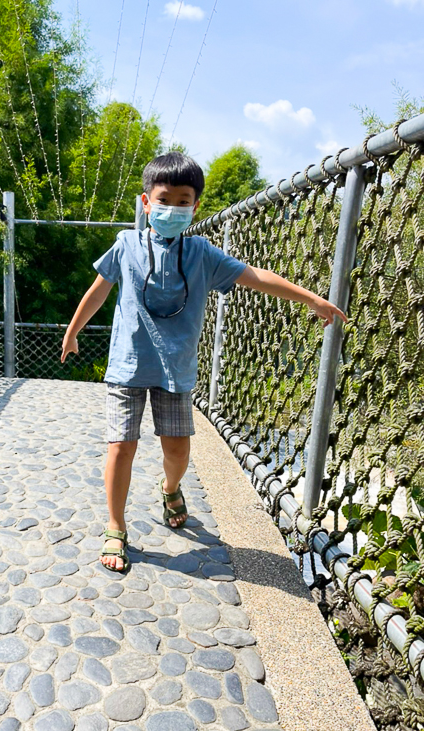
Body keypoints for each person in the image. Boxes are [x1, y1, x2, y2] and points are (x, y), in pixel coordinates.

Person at [60, 151, 348, 574]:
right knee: (121, 445)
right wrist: (72, 331)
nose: (172, 208)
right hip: (127, 366)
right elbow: (99, 290)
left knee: (177, 451)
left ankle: (170, 488)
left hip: (175, 370)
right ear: (145, 202)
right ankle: (116, 527)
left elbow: (255, 276)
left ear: (196, 207)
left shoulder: (202, 253)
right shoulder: (126, 245)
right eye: (164, 199)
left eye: (183, 201)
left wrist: (311, 298)